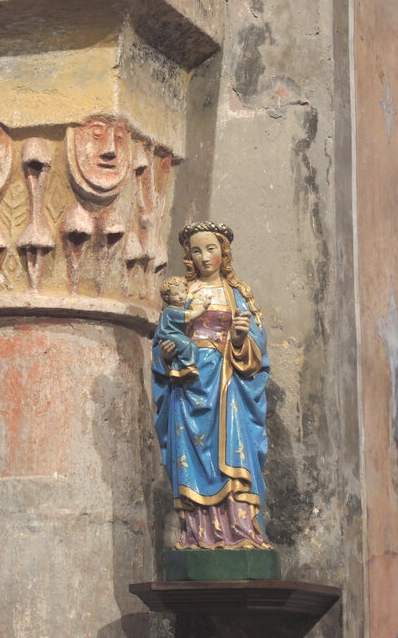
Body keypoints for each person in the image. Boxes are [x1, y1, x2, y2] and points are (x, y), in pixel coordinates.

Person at [152, 221, 272, 550]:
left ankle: (241, 530)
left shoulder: (238, 296)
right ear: (188, 257)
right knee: (191, 456)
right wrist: (166, 355)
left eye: (211, 249)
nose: (205, 257)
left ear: (223, 252)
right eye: (196, 251)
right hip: (188, 387)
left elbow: (258, 356)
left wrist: (237, 340)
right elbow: (161, 344)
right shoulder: (179, 296)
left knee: (235, 451)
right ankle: (197, 534)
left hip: (226, 384)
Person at [154, 276, 211, 382]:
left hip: (178, 335)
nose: (181, 296)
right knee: (186, 344)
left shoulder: (178, 306)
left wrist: (190, 293)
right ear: (167, 297)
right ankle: (185, 368)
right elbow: (189, 314)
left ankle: (179, 369)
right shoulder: (170, 310)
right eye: (176, 294)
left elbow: (185, 305)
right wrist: (204, 308)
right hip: (169, 334)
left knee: (192, 345)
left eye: (183, 292)